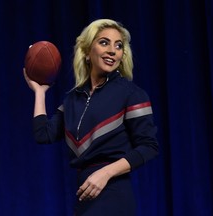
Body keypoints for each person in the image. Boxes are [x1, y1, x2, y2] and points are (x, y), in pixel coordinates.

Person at [24, 18, 159, 216]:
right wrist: (40, 92)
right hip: (84, 196)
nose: (113, 50)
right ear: (87, 52)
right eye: (104, 42)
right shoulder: (73, 99)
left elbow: (149, 147)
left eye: (118, 45)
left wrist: (105, 173)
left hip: (114, 194)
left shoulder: (131, 94)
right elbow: (43, 134)